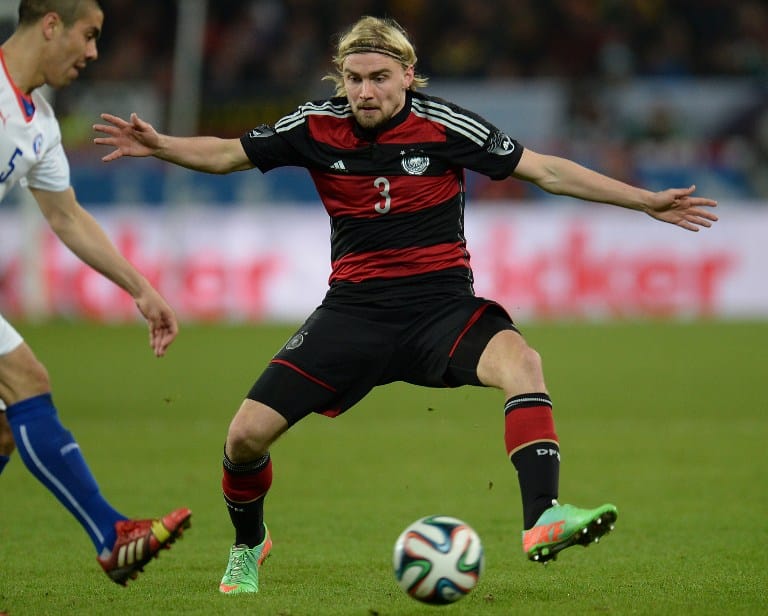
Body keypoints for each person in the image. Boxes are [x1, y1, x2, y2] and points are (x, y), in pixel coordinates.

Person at [94, 16, 718, 595]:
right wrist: (162, 144)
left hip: (440, 308)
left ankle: (543, 518)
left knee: (522, 363)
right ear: (341, 80)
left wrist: (645, 201)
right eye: (355, 79)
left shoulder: (446, 124)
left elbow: (546, 171)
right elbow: (228, 153)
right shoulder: (314, 125)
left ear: (409, 76)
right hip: (353, 313)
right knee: (244, 439)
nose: (366, 92)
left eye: (380, 78)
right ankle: (250, 543)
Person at [0, 0, 191, 585]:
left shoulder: (40, 124)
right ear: (51, 24)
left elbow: (67, 218)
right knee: (26, 380)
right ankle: (110, 536)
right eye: (89, 35)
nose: (93, 52)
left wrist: (142, 288)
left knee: (8, 424)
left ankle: (110, 536)